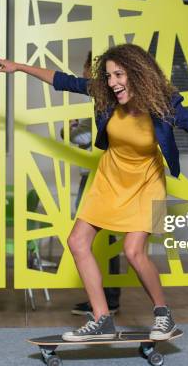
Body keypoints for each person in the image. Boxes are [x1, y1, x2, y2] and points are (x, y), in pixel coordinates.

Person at [0, 44, 188, 341]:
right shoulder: (105, 94)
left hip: (145, 181)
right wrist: (19, 67)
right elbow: (62, 80)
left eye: (119, 74)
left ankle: (163, 313)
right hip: (110, 178)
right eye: (109, 76)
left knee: (133, 251)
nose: (112, 82)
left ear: (137, 73)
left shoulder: (164, 105)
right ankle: (102, 318)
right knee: (77, 242)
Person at [65, 52, 121, 316]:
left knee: (104, 242)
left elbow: (85, 137)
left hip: (104, 180)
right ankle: (103, 302)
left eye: (87, 67)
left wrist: (73, 130)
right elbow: (81, 136)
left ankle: (108, 300)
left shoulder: (107, 99)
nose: (85, 72)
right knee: (88, 242)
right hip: (96, 178)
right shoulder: (99, 99)